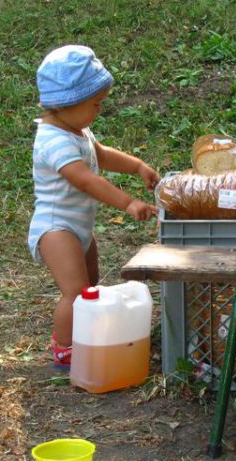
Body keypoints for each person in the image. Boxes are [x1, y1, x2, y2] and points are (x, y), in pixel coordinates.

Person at [28, 45, 160, 369]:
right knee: (74, 293)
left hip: (79, 227)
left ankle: (87, 335)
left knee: (90, 288)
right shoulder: (53, 141)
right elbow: (85, 180)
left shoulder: (76, 129)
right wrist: (128, 202)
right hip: (56, 228)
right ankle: (64, 350)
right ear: (66, 104)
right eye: (95, 104)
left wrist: (137, 166)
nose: (99, 111)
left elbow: (100, 155)